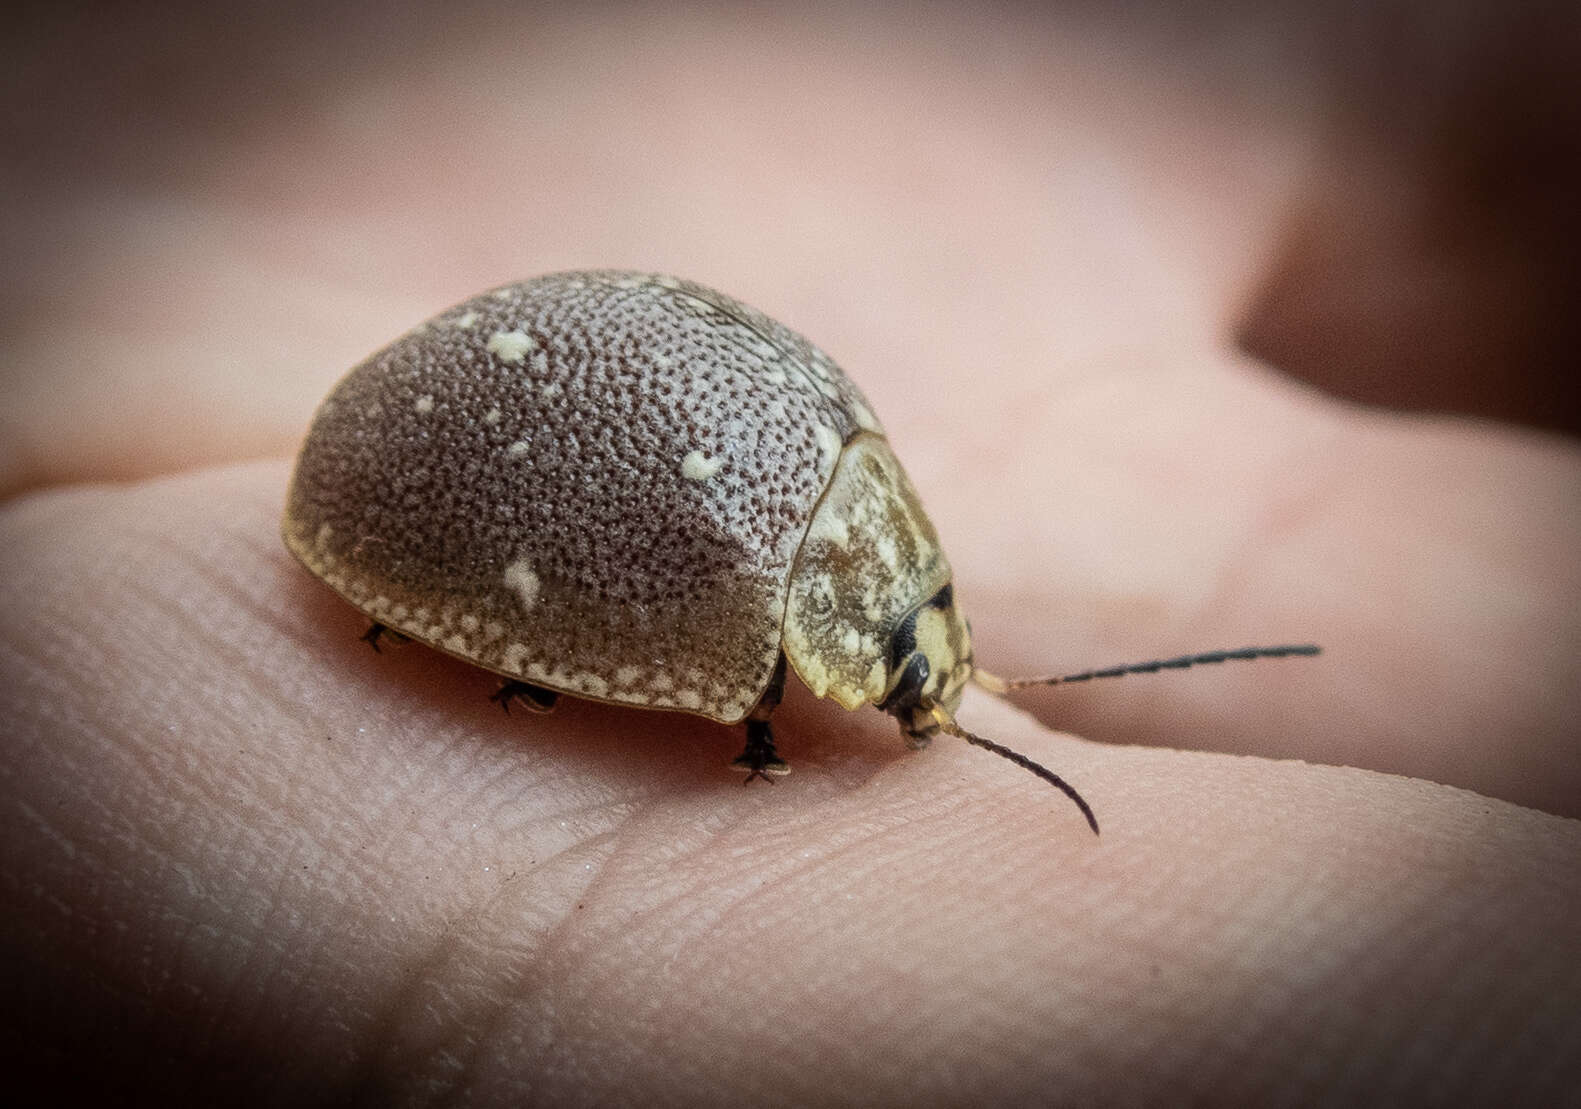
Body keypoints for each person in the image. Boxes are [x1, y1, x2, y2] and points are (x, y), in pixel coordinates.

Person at [3, 3, 1577, 1103]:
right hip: (399, 457)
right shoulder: (740, 599)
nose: (917, 699)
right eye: (907, 668)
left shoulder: (815, 540)